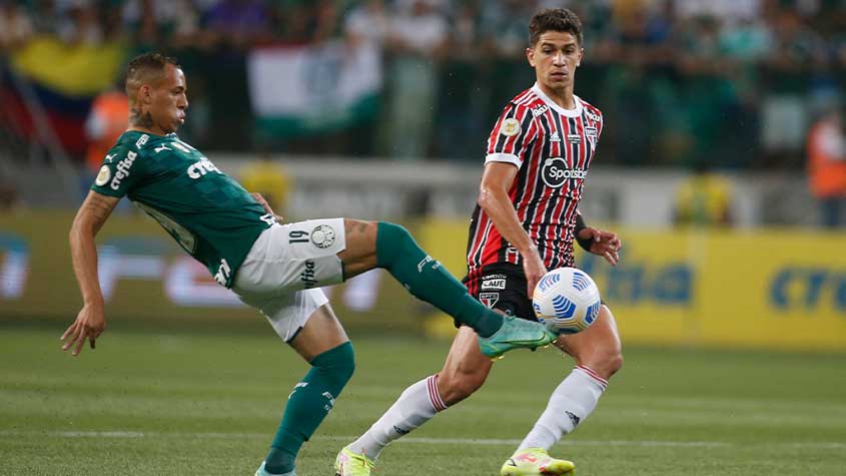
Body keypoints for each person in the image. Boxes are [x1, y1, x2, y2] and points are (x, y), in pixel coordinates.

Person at [59, 52, 556, 476]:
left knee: (336, 360)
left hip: (252, 261)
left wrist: (246, 199)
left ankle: (277, 466)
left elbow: (197, 202)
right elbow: (83, 225)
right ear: (143, 95)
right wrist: (93, 301)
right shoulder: (132, 148)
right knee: (392, 241)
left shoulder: (168, 145)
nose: (185, 102)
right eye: (175, 93)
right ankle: (488, 324)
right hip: (259, 251)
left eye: (186, 93)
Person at [336, 9, 623, 476]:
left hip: (556, 272)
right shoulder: (520, 115)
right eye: (548, 50)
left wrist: (583, 232)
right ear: (531, 56)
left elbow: (552, 192)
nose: (558, 60)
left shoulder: (591, 119)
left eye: (567, 51)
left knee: (605, 354)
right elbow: (491, 192)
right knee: (461, 379)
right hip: (504, 265)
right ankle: (360, 450)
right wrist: (528, 254)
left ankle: (528, 453)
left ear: (581, 57)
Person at [807, 107, 846, 228]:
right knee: (830, 214)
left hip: (833, 181)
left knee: (833, 213)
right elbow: (836, 152)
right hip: (828, 181)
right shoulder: (825, 132)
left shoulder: (827, 132)